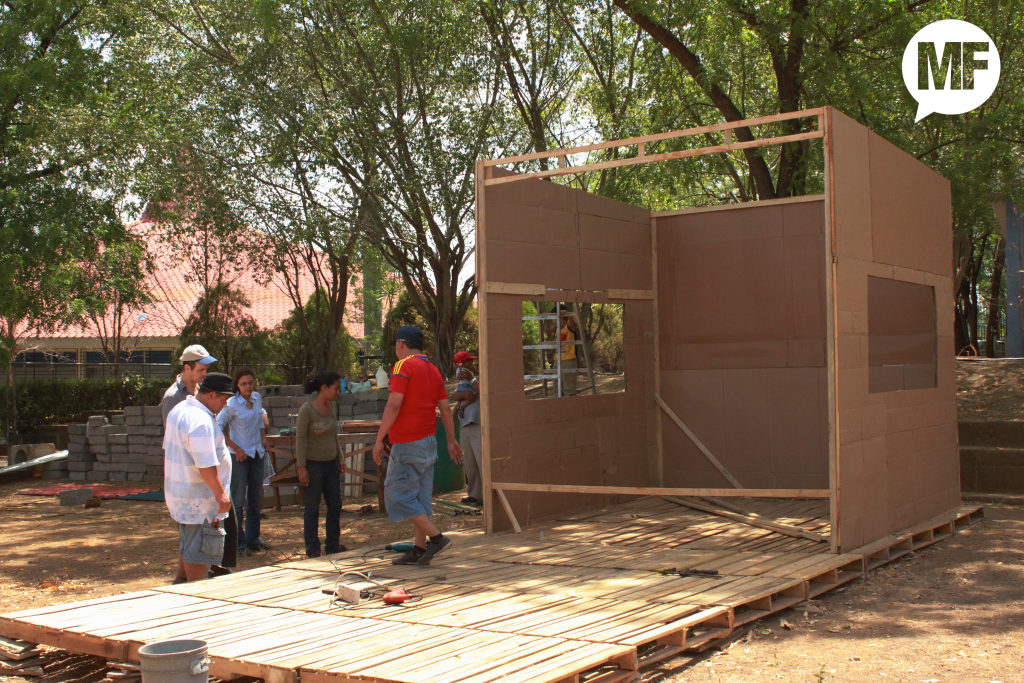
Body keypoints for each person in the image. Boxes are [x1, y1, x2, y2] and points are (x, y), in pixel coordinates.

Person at [373, 326, 463, 566]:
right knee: (421, 498)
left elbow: (393, 405)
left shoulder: (403, 366)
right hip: (429, 442)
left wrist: (379, 439)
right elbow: (445, 408)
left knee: (396, 495)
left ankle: (436, 539)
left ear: (402, 343)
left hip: (408, 442)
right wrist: (452, 440)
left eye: (395, 344)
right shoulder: (433, 370)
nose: (395, 348)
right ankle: (418, 549)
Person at [160, 345, 236, 578]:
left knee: (188, 544)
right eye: (224, 399)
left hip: (183, 495)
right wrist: (221, 494)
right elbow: (205, 464)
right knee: (199, 550)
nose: (225, 405)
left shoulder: (181, 409)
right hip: (199, 498)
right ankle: (195, 597)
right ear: (211, 395)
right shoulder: (200, 420)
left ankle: (182, 584)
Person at [218, 366, 270, 556]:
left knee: (256, 499)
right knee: (238, 500)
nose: (248, 387)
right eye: (243, 384)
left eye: (250, 382)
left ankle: (254, 539)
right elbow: (219, 427)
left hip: (256, 453)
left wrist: (263, 436)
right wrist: (236, 448)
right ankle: (238, 543)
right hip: (238, 455)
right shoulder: (231, 404)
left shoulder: (257, 398)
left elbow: (259, 420)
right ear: (237, 386)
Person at [296, 371, 347, 558]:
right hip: (313, 466)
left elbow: (334, 435)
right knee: (312, 508)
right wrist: (301, 467)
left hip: (331, 465)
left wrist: (340, 458)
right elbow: (300, 440)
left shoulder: (332, 406)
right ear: (324, 388)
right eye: (335, 389)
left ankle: (333, 544)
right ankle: (313, 549)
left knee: (335, 504)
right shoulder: (306, 410)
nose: (337, 393)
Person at [450, 351, 482, 506]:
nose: (472, 364)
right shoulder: (462, 380)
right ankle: (475, 494)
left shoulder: (477, 378)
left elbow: (483, 392)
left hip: (477, 424)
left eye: (472, 362)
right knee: (469, 463)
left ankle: (486, 495)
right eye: (469, 362)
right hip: (465, 426)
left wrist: (473, 379)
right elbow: (454, 395)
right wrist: (464, 394)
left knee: (481, 461)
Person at [558, 305, 579, 396]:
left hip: (568, 359)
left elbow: (572, 323)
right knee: (558, 390)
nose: (553, 320)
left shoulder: (569, 326)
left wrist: (567, 314)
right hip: (558, 359)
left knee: (569, 390)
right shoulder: (557, 329)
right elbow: (547, 330)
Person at [450, 353, 477, 419]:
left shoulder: (468, 369)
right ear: (463, 362)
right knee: (472, 397)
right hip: (465, 386)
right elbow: (459, 378)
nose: (471, 363)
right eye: (469, 361)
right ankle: (462, 407)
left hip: (463, 386)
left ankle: (452, 417)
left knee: (459, 402)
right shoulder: (462, 370)